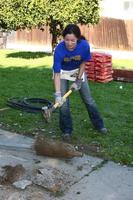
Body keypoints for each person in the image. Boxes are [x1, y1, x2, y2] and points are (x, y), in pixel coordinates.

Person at [52, 24, 107, 141]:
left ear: (78, 38)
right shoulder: (59, 50)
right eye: (66, 40)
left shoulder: (84, 46)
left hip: (78, 71)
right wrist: (57, 95)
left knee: (88, 100)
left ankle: (99, 125)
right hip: (62, 73)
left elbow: (83, 62)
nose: (69, 43)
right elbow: (56, 73)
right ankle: (66, 131)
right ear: (63, 39)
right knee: (63, 104)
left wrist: (78, 80)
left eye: (73, 40)